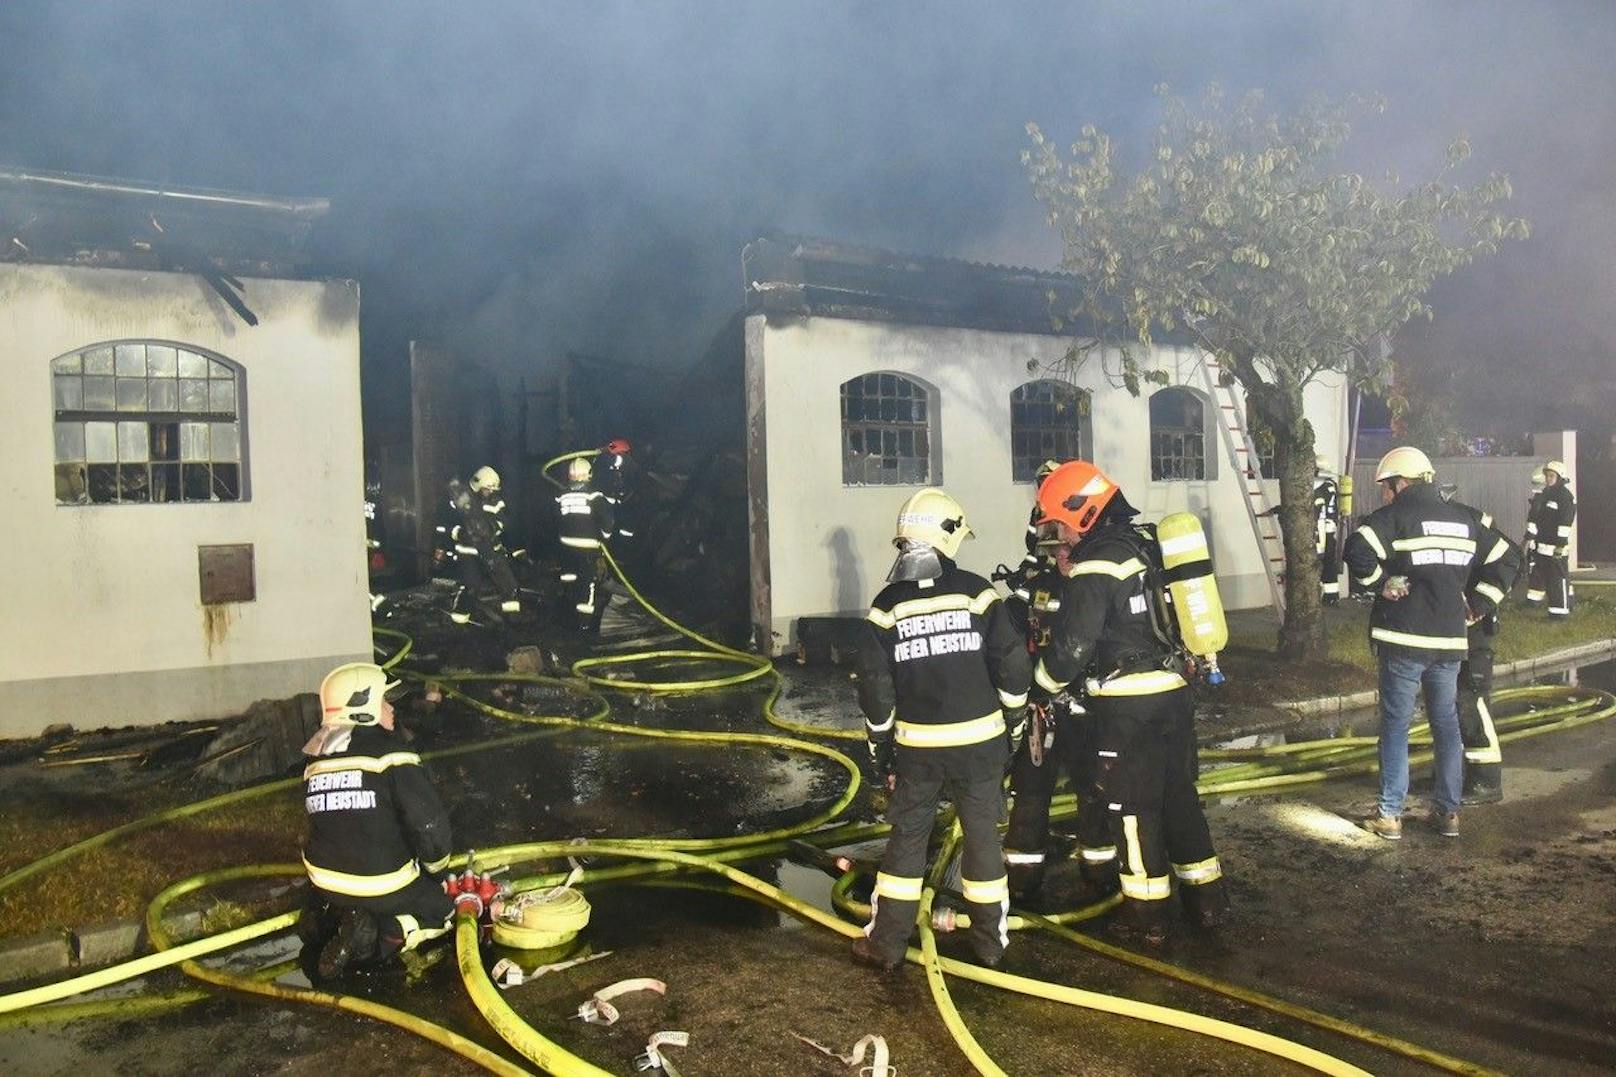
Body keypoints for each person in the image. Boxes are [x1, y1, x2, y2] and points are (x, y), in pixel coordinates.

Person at [1028, 461, 1227, 943]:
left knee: (1134, 810)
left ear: (1083, 512)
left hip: (1126, 708)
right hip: (1173, 695)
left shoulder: (1098, 562)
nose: (1060, 538)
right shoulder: (1144, 546)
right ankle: (1206, 901)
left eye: (1059, 525)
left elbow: (1073, 647)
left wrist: (1041, 686)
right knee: (1180, 797)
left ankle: (1147, 914)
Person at [853, 487, 1031, 971]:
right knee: (982, 840)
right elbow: (1013, 666)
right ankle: (990, 946)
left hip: (918, 752)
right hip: (981, 747)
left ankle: (885, 945)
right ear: (949, 538)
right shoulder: (979, 593)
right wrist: (1014, 721)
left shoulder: (886, 606)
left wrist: (880, 749)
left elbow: (875, 688)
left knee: (907, 840)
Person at [1343, 447, 1514, 840]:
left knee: (1396, 726)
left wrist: (1380, 585)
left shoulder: (1393, 517)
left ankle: (1389, 815)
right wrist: (1482, 603)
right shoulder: (1467, 517)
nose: (1385, 495)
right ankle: (1448, 814)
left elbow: (1357, 549)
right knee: (1446, 726)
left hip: (1402, 641)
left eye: (1386, 487)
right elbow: (1509, 556)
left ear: (1400, 483)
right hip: (1450, 643)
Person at [297, 662, 456, 981]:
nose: (391, 708)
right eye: (384, 701)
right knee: (447, 911)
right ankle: (381, 937)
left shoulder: (316, 762)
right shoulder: (394, 756)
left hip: (324, 880)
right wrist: (439, 873)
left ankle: (328, 919)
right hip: (383, 883)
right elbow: (428, 827)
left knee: (353, 886)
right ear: (362, 707)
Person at [1438, 484, 1524, 805]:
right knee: (1450, 701)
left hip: (1472, 629)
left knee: (1468, 700)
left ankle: (1486, 780)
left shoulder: (1468, 523)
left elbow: (1510, 557)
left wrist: (1478, 605)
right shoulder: (1435, 523)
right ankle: (1456, 771)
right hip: (1447, 628)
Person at [448, 467, 522, 625]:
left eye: (492, 489)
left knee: (509, 586)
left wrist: (491, 528)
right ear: (478, 485)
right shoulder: (461, 500)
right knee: (470, 587)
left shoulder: (496, 501)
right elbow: (447, 522)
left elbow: (504, 520)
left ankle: (513, 623)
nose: (490, 492)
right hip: (468, 552)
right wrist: (461, 533)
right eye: (487, 489)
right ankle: (459, 623)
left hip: (491, 550)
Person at [554, 457, 615, 632]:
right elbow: (608, 522)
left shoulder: (561, 495)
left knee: (568, 579)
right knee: (587, 583)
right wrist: (604, 540)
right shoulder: (595, 496)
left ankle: (566, 614)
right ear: (589, 475)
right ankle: (584, 624)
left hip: (565, 547)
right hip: (587, 549)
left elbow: (555, 519)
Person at [1525, 460, 1576, 618]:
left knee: (1557, 578)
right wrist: (1530, 538)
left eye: (1552, 476)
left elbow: (1565, 522)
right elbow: (1535, 518)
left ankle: (1560, 612)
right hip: (1541, 545)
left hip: (1555, 546)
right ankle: (1534, 601)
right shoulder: (1545, 494)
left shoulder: (1565, 497)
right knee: (1539, 574)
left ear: (1560, 477)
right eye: (1547, 476)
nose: (1548, 479)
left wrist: (1560, 545)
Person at [593, 437, 640, 543]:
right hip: (612, 500)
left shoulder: (623, 461)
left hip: (620, 500)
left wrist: (603, 453)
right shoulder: (606, 463)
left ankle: (623, 544)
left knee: (621, 527)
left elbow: (615, 458)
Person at [1313, 453, 1342, 605]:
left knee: (1321, 560)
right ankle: (1332, 595)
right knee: (1329, 561)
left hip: (1322, 528)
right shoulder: (1331, 485)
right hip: (1330, 527)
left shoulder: (1321, 487)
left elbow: (1317, 507)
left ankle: (1327, 595)